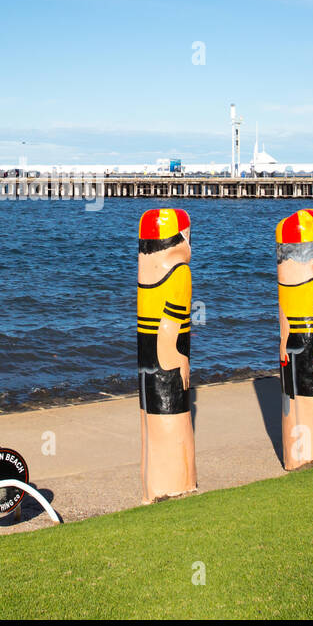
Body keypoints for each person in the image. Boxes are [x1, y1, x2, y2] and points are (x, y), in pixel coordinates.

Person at [137, 208, 196, 503]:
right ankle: (173, 489)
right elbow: (169, 328)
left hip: (145, 359)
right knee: (172, 425)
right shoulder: (179, 272)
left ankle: (151, 489)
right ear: (182, 237)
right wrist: (179, 360)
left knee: (150, 427)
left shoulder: (146, 273)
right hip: (166, 357)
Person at [276, 208, 313, 469]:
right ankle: (311, 453)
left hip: (292, 343)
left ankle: (296, 456)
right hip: (308, 341)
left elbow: (284, 315)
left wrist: (283, 342)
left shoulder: (285, 280)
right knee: (310, 398)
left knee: (292, 398)